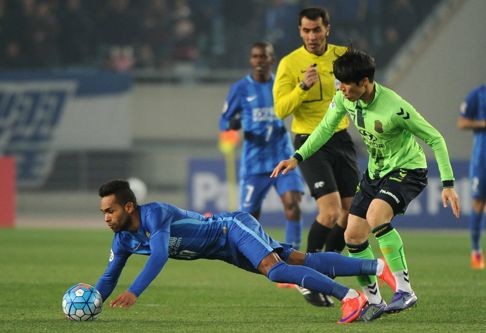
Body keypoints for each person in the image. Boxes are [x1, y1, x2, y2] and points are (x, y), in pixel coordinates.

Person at [271, 49, 461, 321]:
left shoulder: (394, 107)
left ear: (365, 82)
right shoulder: (345, 98)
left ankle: (404, 290)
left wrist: (448, 183)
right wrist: (297, 157)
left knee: (376, 216)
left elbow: (435, 138)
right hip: (375, 174)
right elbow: (325, 128)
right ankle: (374, 301)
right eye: (339, 83)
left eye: (347, 84)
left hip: (407, 169)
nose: (342, 89)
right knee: (353, 237)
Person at [94, 179, 393, 324]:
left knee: (276, 271)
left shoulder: (154, 215)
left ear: (129, 207)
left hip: (231, 228)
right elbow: (109, 277)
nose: (106, 217)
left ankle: (351, 298)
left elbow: (159, 255)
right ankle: (378, 268)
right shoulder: (123, 241)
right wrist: (93, 303)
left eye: (110, 211)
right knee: (302, 260)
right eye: (104, 212)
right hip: (225, 251)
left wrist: (134, 291)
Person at [272, 7, 360, 307]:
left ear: (327, 29)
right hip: (309, 141)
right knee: (331, 211)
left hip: (341, 139)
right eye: (306, 30)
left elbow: (361, 90)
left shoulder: (343, 56)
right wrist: (302, 87)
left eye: (317, 30)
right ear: (299, 31)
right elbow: (281, 109)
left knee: (349, 216)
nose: (312, 36)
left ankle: (326, 278)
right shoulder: (289, 64)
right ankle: (305, 278)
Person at [219, 42, 305, 253]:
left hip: (282, 156)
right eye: (255, 56)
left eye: (263, 56)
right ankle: (252, 254)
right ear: (251, 60)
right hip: (254, 163)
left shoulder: (281, 85)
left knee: (293, 206)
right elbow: (224, 121)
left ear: (271, 60)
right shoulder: (240, 89)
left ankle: (293, 255)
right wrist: (233, 125)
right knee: (249, 217)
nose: (259, 61)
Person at [457, 84, 486, 270]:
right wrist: (483, 123)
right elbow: (462, 122)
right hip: (482, 158)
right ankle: (476, 251)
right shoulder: (478, 94)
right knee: (479, 202)